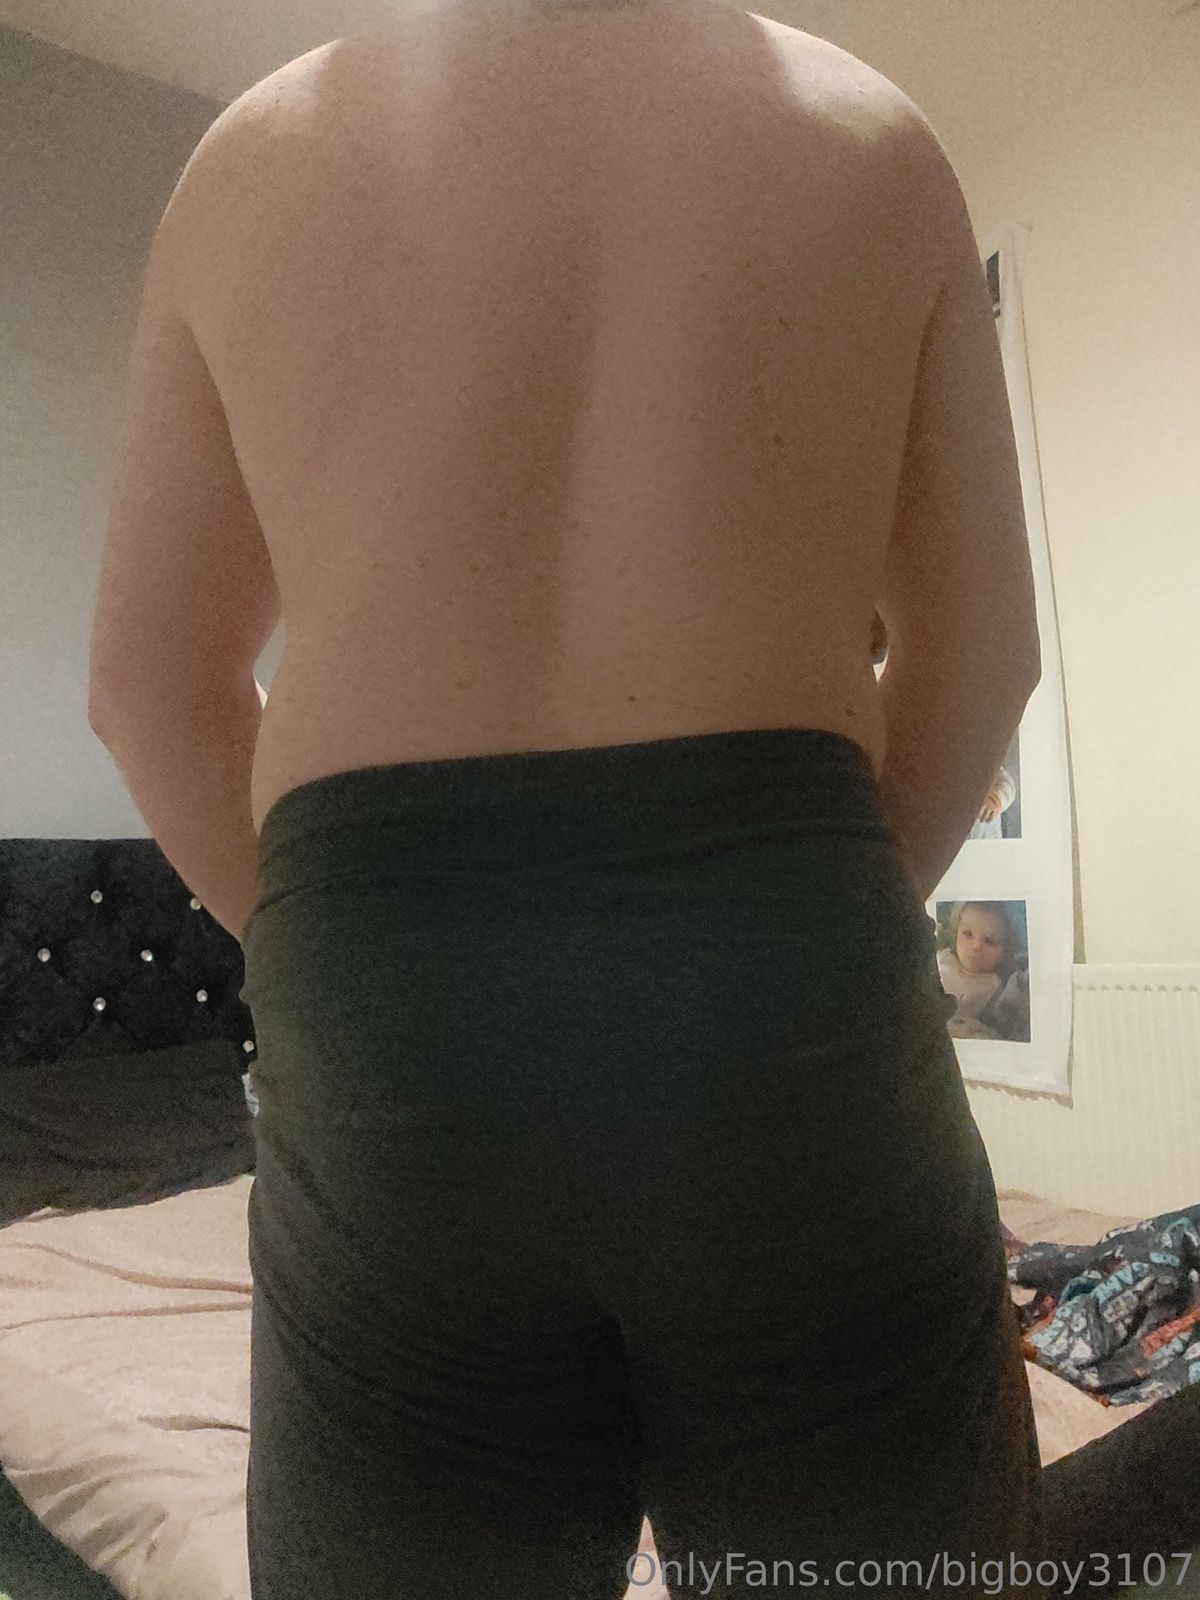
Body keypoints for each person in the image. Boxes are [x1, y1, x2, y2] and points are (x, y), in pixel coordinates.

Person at [94, 1, 1046, 1594]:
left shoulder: (249, 160)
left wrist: (343, 946)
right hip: (785, 959)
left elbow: (147, 690)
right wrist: (803, 922)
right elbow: (986, 655)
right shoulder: (873, 137)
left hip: (384, 987)